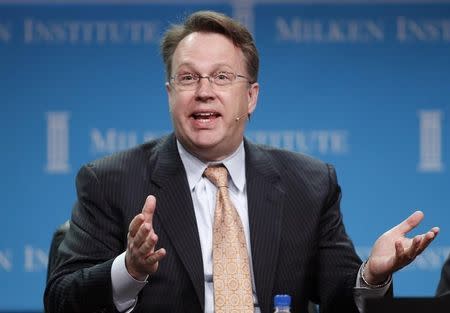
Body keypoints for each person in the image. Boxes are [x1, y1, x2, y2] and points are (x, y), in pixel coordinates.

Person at [44, 10, 439, 313]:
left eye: (221, 77)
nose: (203, 92)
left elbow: (338, 297)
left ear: (250, 97)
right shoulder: (111, 180)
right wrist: (128, 269)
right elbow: (61, 298)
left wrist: (372, 275)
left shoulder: (309, 183)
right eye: (188, 78)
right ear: (169, 93)